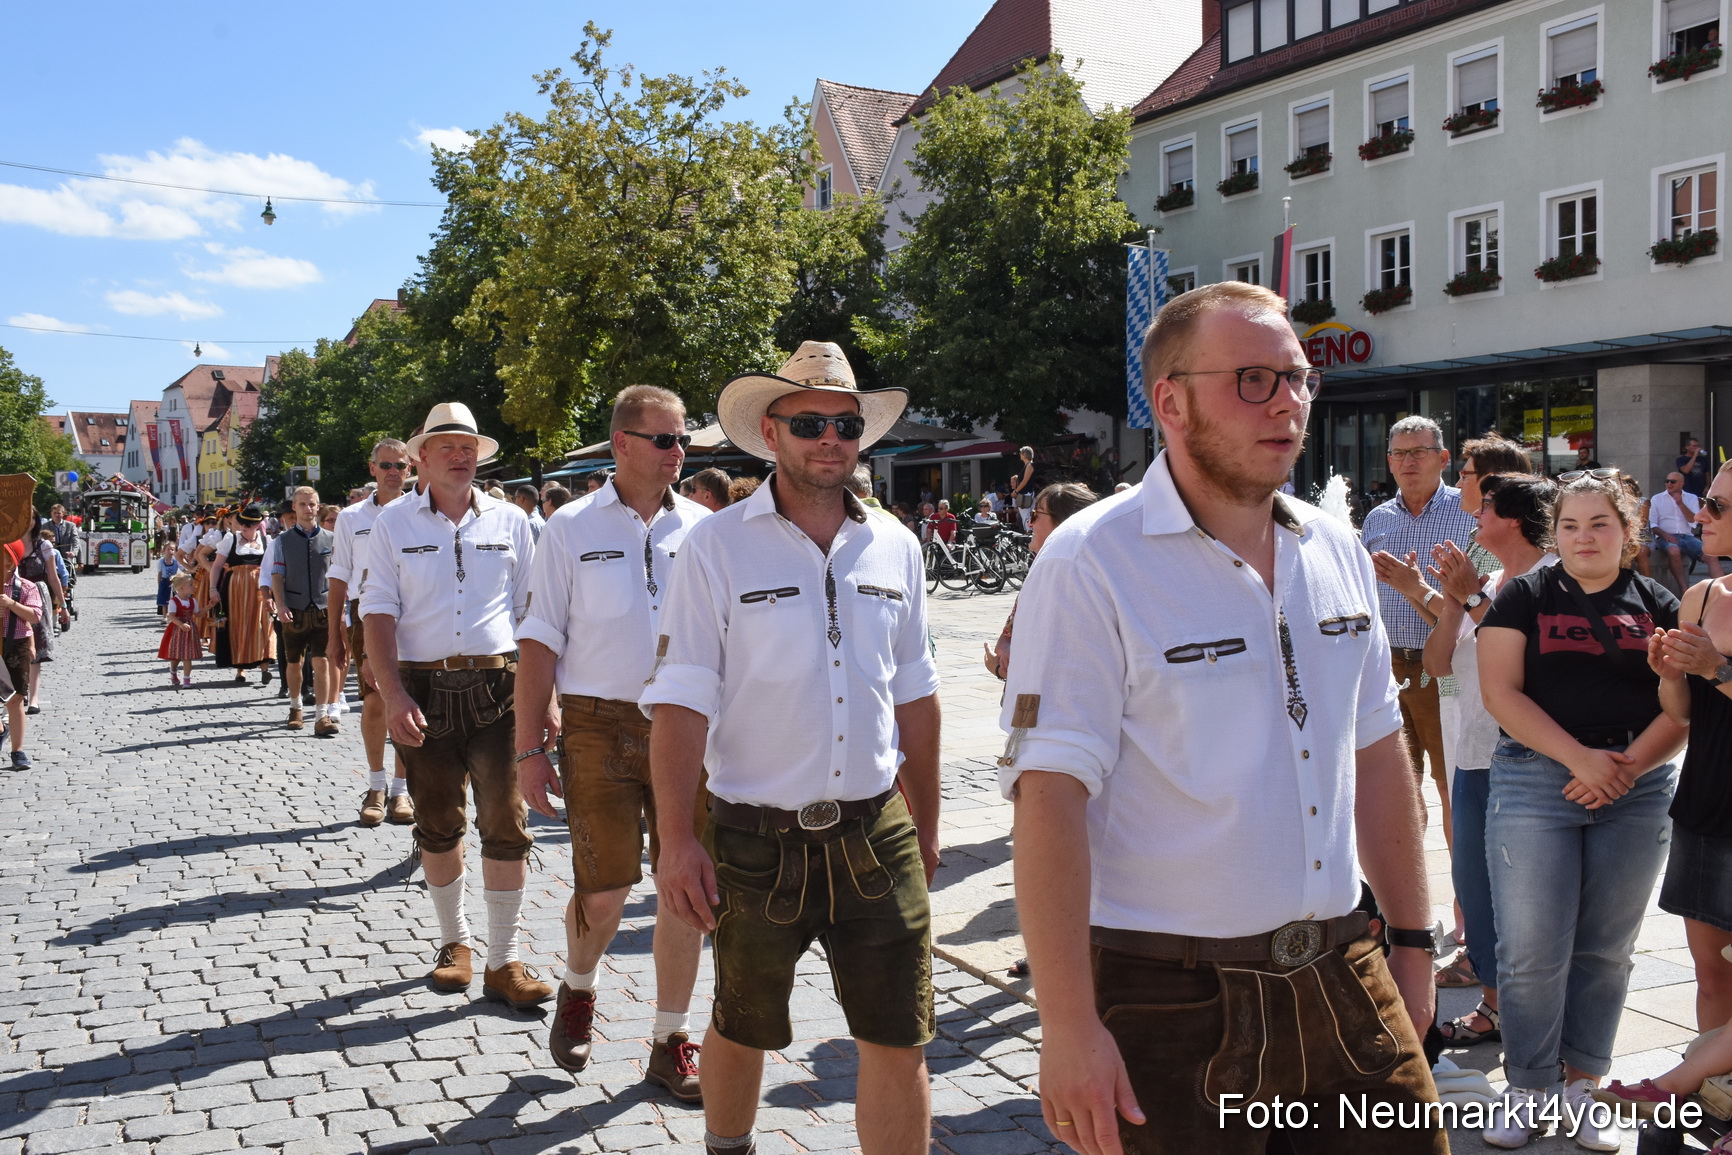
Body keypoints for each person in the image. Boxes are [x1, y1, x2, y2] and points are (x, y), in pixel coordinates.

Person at [1006, 281, 1442, 1154]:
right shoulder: (1093, 559)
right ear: (1170, 400)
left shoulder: (1334, 546)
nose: (1287, 402)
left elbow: (1378, 746)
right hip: (1172, 996)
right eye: (1252, 379)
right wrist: (1068, 1025)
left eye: (1298, 377)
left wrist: (1416, 943)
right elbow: (1048, 799)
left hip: (1343, 967)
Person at [644, 341, 942, 1155]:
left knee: (899, 1035)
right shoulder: (715, 546)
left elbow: (915, 693)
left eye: (845, 423)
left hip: (875, 831)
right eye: (809, 421)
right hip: (753, 837)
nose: (830, 438)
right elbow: (679, 700)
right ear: (770, 433)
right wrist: (676, 840)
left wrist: (931, 821)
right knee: (742, 1023)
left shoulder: (897, 545)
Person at [1476, 471, 1685, 1149]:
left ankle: (1583, 1084)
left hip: (1636, 784)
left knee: (1606, 949)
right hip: (1538, 782)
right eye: (1570, 525)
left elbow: (1683, 708)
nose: (1584, 537)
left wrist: (1623, 769)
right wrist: (1580, 759)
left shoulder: (1659, 601)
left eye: (1600, 524)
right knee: (1532, 946)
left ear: (1626, 532)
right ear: (1554, 533)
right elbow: (1501, 693)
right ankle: (1529, 1084)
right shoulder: (1522, 597)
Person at [515, 385, 711, 1100]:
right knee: (606, 891)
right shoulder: (568, 527)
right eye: (665, 439)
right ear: (622, 445)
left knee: (685, 889)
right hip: (597, 722)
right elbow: (538, 640)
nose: (679, 452)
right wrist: (529, 749)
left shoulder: (703, 528)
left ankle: (669, 1039)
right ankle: (579, 984)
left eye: (683, 439)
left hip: (688, 721)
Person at [361, 401, 548, 1010]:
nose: (462, 455)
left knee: (507, 823)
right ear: (420, 457)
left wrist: (543, 698)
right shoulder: (393, 523)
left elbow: (532, 614)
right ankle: (454, 943)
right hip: (424, 689)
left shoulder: (511, 521)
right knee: (438, 825)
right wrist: (391, 695)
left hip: (500, 688)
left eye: (469, 446)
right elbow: (378, 613)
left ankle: (504, 958)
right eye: (448, 446)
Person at [1424, 473, 1556, 1046]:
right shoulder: (1495, 578)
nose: (1475, 517)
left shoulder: (1549, 579)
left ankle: (1534, 1019)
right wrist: (1452, 598)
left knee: (1523, 896)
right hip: (1474, 754)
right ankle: (1496, 1006)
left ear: (1516, 520)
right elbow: (1437, 665)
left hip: (1526, 759)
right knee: (1475, 888)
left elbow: (1528, 653)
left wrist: (1472, 595)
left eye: (1486, 509)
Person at [1361, 416, 1476, 847]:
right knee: (1393, 790)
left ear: (1443, 458)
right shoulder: (1376, 519)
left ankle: (1464, 902)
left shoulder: (1465, 511)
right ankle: (1406, 900)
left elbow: (1472, 601)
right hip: (1386, 666)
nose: (1408, 461)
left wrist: (1417, 589)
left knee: (1451, 787)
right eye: (1399, 453)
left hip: (1441, 667)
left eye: (1419, 452)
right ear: (1389, 462)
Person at [1653, 459, 1732, 1029]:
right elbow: (1684, 717)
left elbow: (1717, 679)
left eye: (1718, 507)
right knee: (1711, 977)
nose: (1701, 514)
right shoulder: (1702, 596)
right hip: (1706, 803)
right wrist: (1671, 676)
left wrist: (1717, 668)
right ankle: (1710, 1097)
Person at [329, 439, 416, 827]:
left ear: (410, 469)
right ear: (372, 469)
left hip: (414, 615)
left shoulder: (418, 512)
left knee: (411, 703)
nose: (393, 472)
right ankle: (376, 786)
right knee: (375, 703)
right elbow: (339, 576)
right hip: (367, 615)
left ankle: (401, 790)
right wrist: (335, 634)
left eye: (400, 465)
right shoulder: (351, 518)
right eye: (386, 465)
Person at [982, 483, 1098, 683]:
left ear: (1063, 522)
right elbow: (1007, 638)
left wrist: (1000, 669)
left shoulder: (1070, 579)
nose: (1029, 523)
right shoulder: (1042, 571)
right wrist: (1009, 652)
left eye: (1035, 514)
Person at [272, 487, 336, 734]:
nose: (309, 509)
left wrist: (339, 607)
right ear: (294, 508)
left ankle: (322, 715)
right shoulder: (282, 541)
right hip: (294, 610)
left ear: (318, 506)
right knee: (294, 662)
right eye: (303, 505)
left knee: (322, 662)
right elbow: (277, 574)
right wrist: (280, 604)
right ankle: (295, 707)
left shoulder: (331, 538)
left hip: (323, 609)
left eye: (312, 504)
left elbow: (338, 575)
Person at [209, 505, 273, 686]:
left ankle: (265, 667)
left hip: (261, 587)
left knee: (263, 624)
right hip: (236, 588)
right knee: (239, 625)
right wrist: (213, 589)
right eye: (242, 523)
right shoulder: (231, 539)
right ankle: (240, 669)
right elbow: (216, 566)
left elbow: (273, 568)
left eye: (249, 525)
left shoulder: (267, 541)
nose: (244, 527)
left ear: (258, 525)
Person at [1, 541, 42, 770]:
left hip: (17, 643)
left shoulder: (26, 587)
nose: (3, 563)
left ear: (14, 561)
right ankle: (1, 728)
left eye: (7, 558)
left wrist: (10, 603)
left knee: (16, 698)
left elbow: (35, 616)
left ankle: (17, 751)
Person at [1652, 470, 1722, 586]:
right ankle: (1684, 588)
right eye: (1667, 481)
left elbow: (1693, 522)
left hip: (1687, 537)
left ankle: (1722, 587)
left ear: (1681, 484)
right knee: (1674, 551)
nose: (1669, 484)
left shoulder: (1691, 498)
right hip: (1665, 537)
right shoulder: (1657, 499)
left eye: (1673, 482)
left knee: (1711, 554)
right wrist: (1665, 535)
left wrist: (1680, 504)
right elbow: (1653, 524)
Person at [158, 571, 202, 687]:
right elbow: (171, 616)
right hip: (177, 631)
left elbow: (198, 614)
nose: (194, 587)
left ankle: (186, 680)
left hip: (190, 631)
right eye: (191, 585)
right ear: (182, 588)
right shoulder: (174, 601)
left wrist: (209, 606)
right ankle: (173, 671)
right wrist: (181, 624)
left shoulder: (193, 601)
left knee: (187, 656)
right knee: (177, 655)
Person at [1008, 446, 1036, 531]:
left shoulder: (1029, 465)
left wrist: (1016, 491)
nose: (1020, 455)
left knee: (1026, 515)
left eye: (1020, 453)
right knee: (1032, 513)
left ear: (1024, 454)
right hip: (1029, 493)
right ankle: (1032, 531)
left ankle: (1028, 532)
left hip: (1025, 494)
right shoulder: (1028, 465)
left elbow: (1025, 481)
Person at [155, 543, 179, 617]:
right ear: (164, 551)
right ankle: (164, 616)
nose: (170, 551)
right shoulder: (161, 562)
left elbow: (182, 569)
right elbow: (160, 573)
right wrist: (159, 584)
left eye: (172, 549)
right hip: (165, 582)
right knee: (164, 600)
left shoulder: (176, 561)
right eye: (168, 549)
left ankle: (173, 616)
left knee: (174, 599)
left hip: (174, 581)